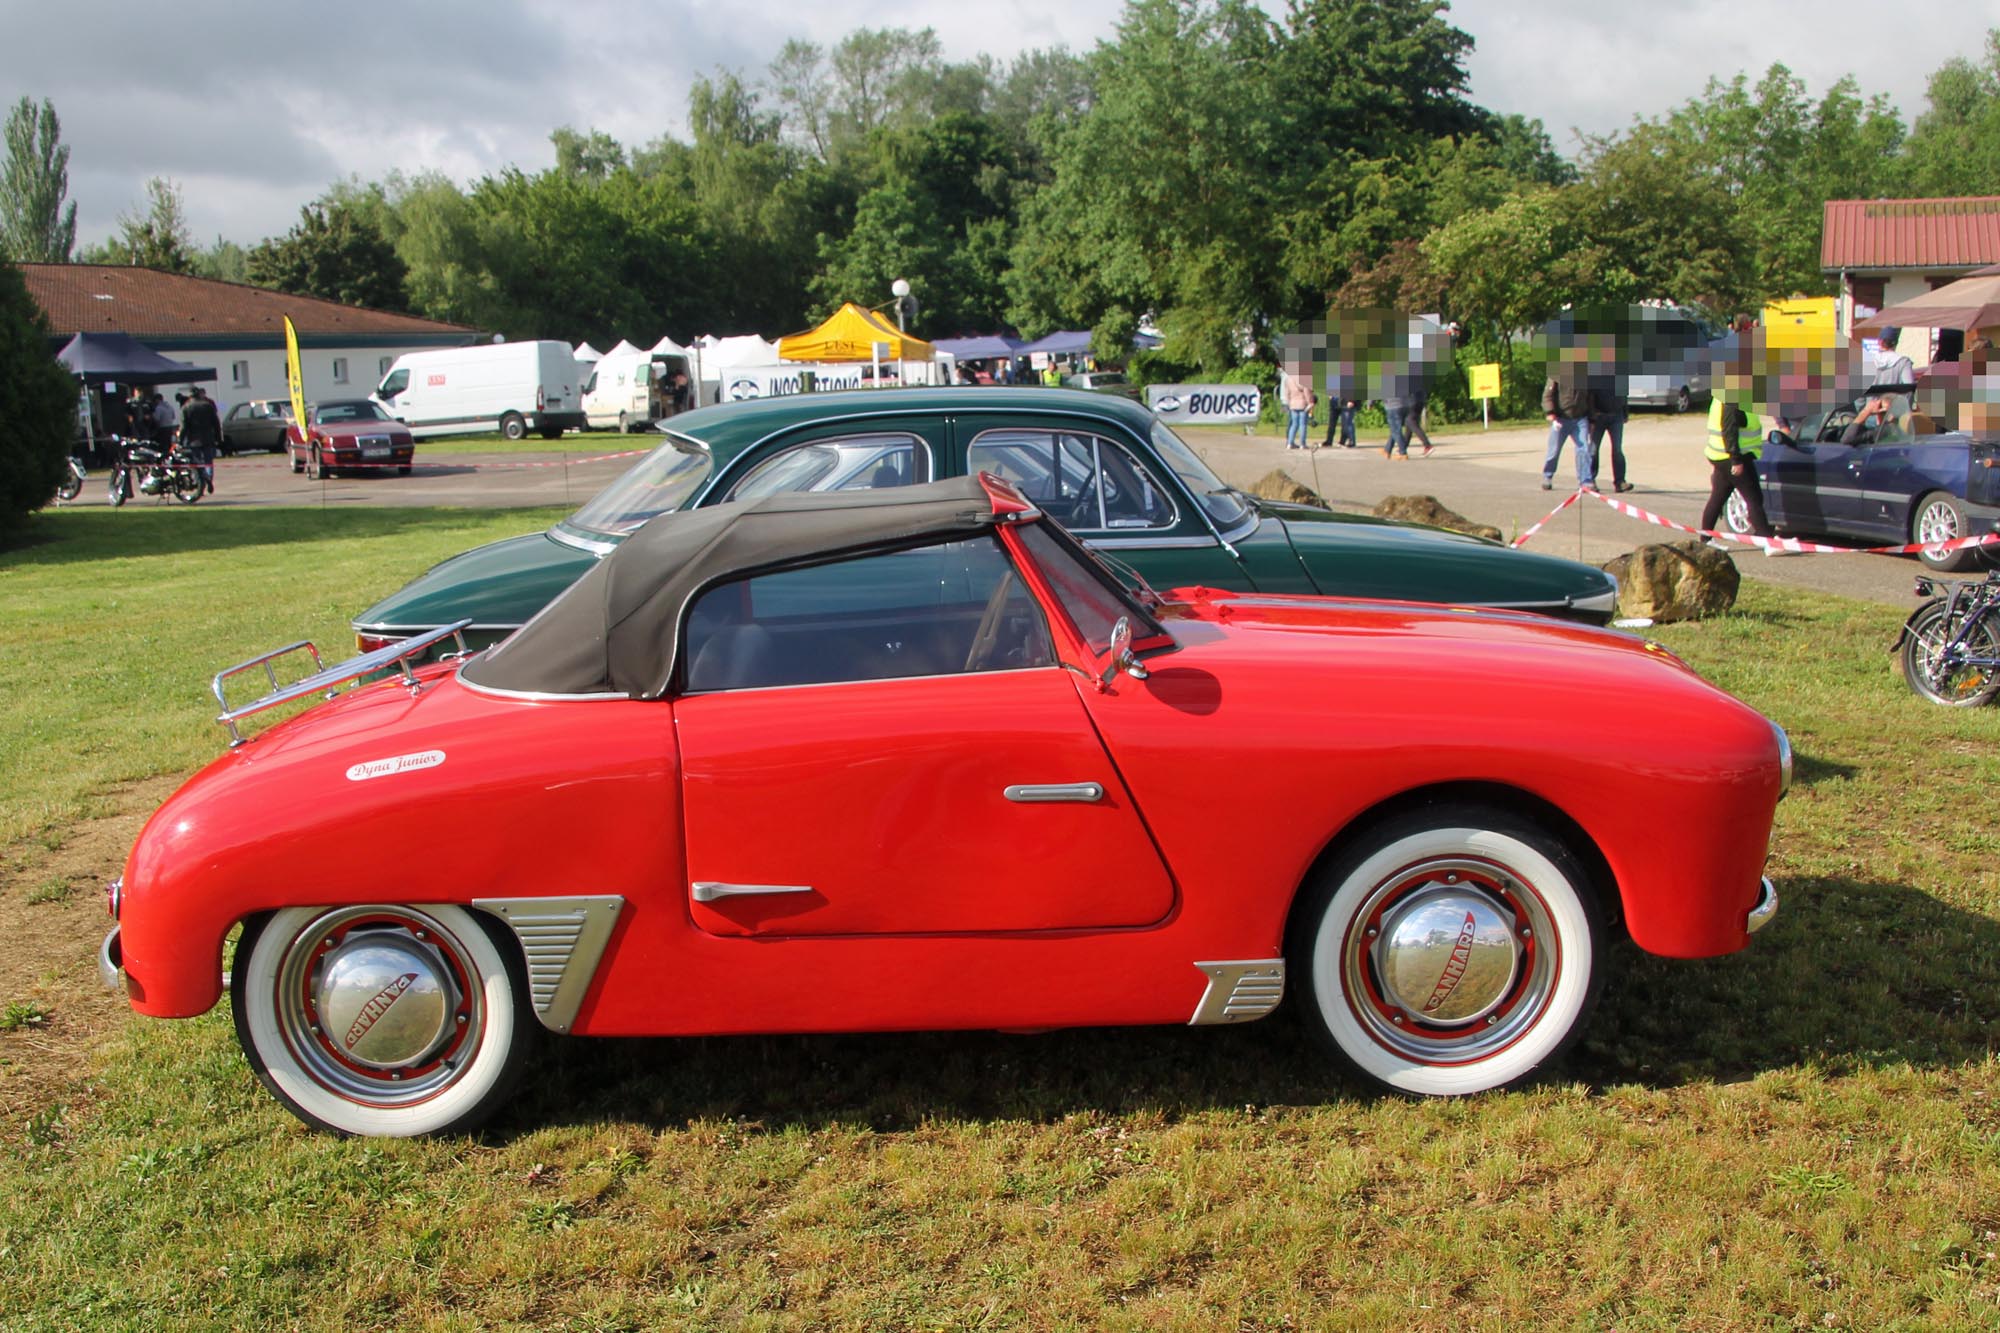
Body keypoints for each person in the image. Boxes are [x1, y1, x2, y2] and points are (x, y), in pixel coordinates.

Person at [1699, 396, 1773, 542]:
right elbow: (1729, 430)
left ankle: (1705, 540)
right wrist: (1736, 460)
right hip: (1733, 457)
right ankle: (1767, 540)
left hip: (1722, 456)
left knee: (1718, 498)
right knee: (1753, 498)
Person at [1539, 363, 1596, 490]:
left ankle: (1585, 480)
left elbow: (1590, 398)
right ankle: (1547, 476)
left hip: (1580, 418)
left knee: (1583, 449)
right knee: (1554, 450)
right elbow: (1547, 395)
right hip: (1561, 419)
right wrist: (1550, 413)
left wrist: (1592, 419)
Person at [1587, 372, 1632, 492]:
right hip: (1598, 417)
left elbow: (1623, 395)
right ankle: (1590, 480)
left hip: (1616, 416)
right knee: (1593, 450)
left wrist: (1625, 413)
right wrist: (1591, 416)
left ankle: (1620, 482)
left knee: (1617, 449)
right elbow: (1589, 396)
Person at [179, 384, 223, 494]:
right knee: (208, 462)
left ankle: (200, 484)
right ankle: (208, 479)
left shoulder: (186, 407)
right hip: (208, 438)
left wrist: (180, 440)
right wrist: (218, 437)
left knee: (197, 463)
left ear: (189, 396)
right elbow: (216, 423)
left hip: (194, 440)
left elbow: (184, 427)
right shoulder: (208, 405)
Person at [1280, 365, 1314, 450]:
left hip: (1293, 404)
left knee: (1294, 425)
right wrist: (1310, 402)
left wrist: (1289, 402)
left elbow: (1287, 393)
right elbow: (1307, 392)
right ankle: (1302, 443)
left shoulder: (1288, 380)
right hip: (1302, 404)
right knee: (1302, 425)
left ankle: (1290, 443)